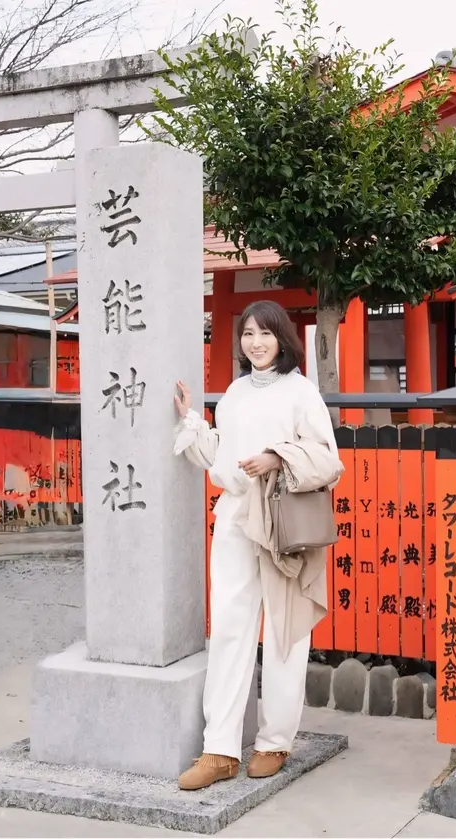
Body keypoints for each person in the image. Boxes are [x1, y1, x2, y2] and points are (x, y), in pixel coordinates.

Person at [172, 299, 344, 790]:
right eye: (248, 334)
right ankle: (220, 749)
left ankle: (274, 741)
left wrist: (276, 457)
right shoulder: (234, 392)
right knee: (230, 627)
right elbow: (221, 457)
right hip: (234, 516)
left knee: (285, 631)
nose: (256, 342)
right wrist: (191, 422)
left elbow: (328, 460)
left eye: (265, 333)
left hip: (282, 520)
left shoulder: (301, 392)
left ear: (281, 338)